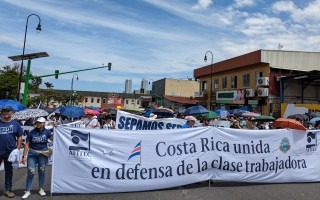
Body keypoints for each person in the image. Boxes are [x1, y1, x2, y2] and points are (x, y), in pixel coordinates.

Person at [21, 117, 53, 199]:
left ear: (44, 123)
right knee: (31, 172)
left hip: (43, 154)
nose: (38, 124)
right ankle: (28, 190)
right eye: (37, 122)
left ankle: (41, 189)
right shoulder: (31, 132)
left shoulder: (47, 132)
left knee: (42, 171)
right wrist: (24, 156)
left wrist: (57, 129)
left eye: (40, 122)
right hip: (32, 154)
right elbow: (27, 144)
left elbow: (54, 139)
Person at [0, 106, 23, 198]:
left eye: (8, 111)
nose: (6, 112)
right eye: (4, 111)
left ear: (12, 112)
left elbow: (20, 136)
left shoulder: (16, 124)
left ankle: (8, 190)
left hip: (10, 152)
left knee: (9, 172)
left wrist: (17, 148)